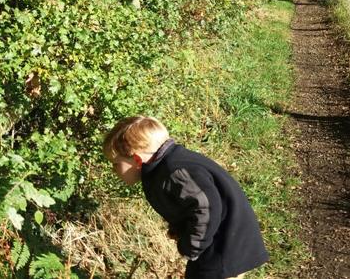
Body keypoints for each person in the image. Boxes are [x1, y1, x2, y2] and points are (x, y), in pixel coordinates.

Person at [103, 116, 269, 279]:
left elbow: (205, 208)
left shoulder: (175, 172)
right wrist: (180, 229)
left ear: (137, 160)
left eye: (116, 163)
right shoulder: (167, 166)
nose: (114, 170)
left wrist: (191, 247)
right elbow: (190, 206)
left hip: (224, 246)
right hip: (223, 240)